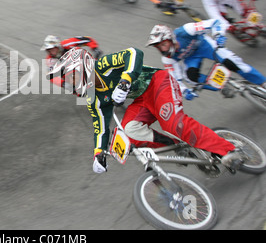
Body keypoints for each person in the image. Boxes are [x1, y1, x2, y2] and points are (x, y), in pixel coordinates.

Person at [47, 47, 242, 174]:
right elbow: (101, 127)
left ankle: (228, 150)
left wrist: (124, 83)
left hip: (158, 83)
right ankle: (180, 148)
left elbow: (134, 53)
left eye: (72, 76)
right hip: (142, 100)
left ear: (84, 66)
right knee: (129, 133)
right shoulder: (92, 97)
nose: (70, 83)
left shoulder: (103, 66)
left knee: (173, 123)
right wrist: (99, 153)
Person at [145, 22, 266, 100]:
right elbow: (175, 78)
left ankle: (262, 83)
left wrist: (218, 35)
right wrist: (185, 91)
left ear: (171, 39)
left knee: (233, 63)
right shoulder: (167, 58)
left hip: (204, 45)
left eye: (164, 44)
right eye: (159, 47)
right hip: (190, 58)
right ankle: (221, 86)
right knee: (191, 77)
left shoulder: (186, 30)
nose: (162, 49)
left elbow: (214, 23)